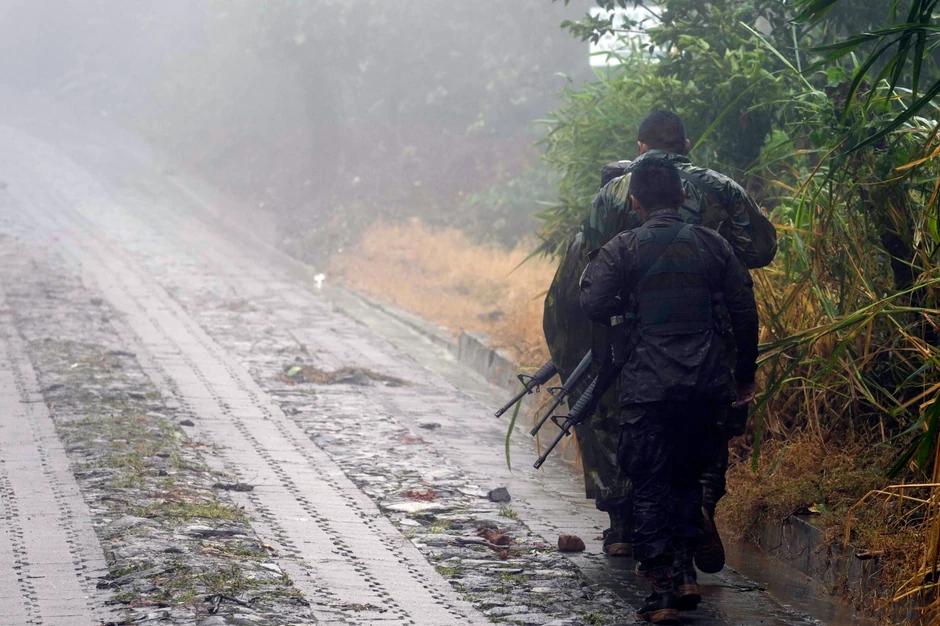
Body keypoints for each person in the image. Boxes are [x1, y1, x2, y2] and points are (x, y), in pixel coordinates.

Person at [542, 110, 775, 565]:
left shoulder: (615, 191)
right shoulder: (723, 188)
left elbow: (592, 271)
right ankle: (701, 506)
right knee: (707, 423)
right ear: (686, 146)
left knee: (627, 423)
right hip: (713, 328)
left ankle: (625, 529)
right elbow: (761, 250)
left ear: (641, 148)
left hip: (639, 335)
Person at [579, 159, 759, 623]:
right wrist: (743, 374)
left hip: (648, 388)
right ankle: (686, 576)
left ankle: (662, 590)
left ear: (635, 202)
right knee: (689, 476)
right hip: (706, 384)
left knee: (651, 481)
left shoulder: (623, 248)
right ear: (682, 196)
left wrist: (629, 307)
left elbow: (593, 303)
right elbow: (744, 309)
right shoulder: (714, 245)